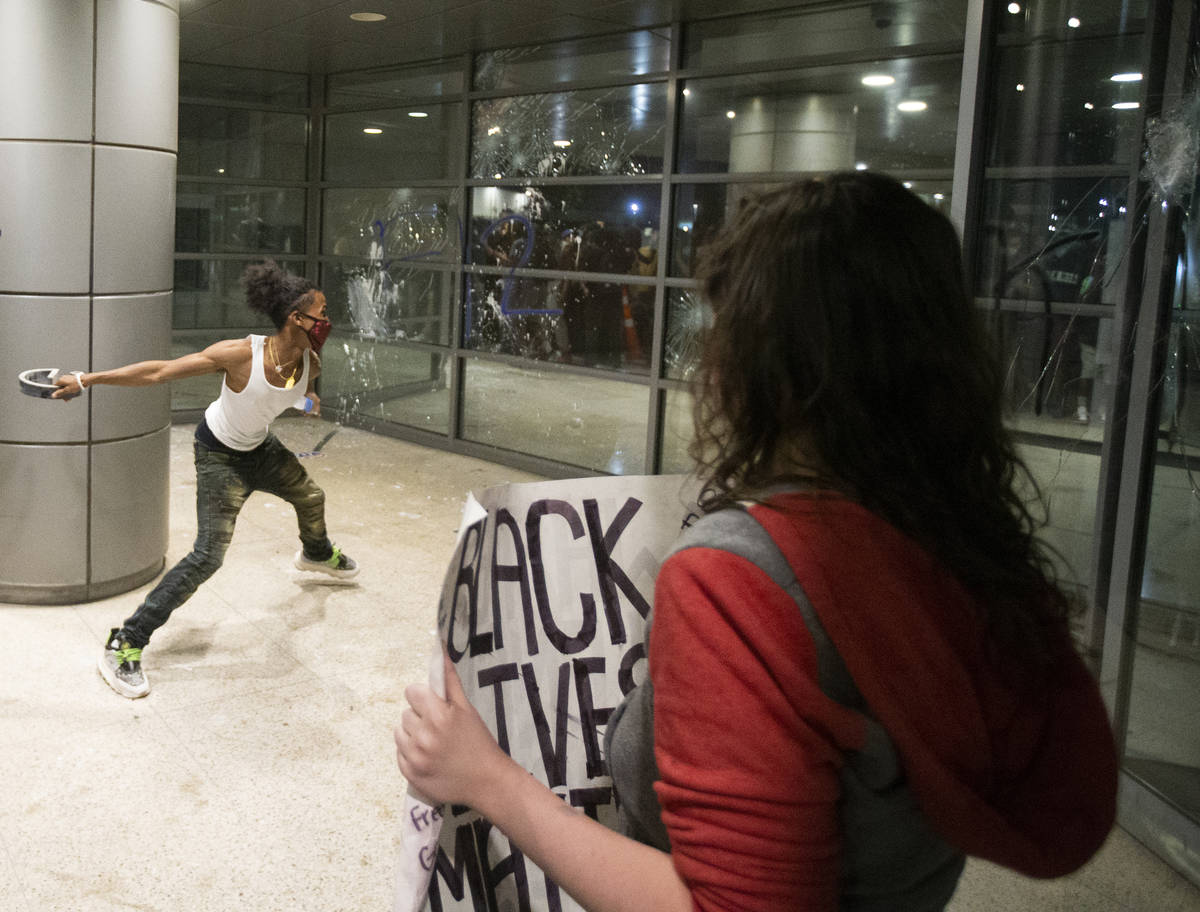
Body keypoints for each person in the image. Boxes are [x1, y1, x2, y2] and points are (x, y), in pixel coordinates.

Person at [393, 173, 1118, 911]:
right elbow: (1071, 817)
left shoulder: (739, 583)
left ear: (761, 365)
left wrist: (487, 780)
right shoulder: (968, 548)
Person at [53, 261, 359, 700]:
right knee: (207, 556)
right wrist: (87, 380)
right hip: (219, 455)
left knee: (311, 496)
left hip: (260, 448)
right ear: (297, 318)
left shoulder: (310, 357)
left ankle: (315, 554)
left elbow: (304, 392)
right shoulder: (240, 355)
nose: (327, 320)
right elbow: (159, 371)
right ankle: (126, 641)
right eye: (322, 312)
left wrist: (308, 402)